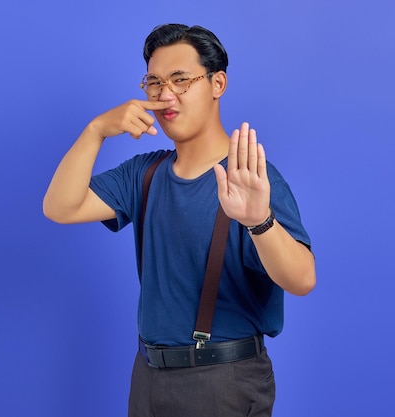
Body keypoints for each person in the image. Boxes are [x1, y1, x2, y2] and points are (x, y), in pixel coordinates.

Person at [43, 23, 315, 417]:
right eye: (153, 82)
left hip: (223, 380)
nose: (165, 94)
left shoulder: (253, 178)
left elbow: (303, 279)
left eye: (180, 79)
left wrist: (259, 221)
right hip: (149, 375)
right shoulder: (144, 173)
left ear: (217, 83)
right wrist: (96, 130)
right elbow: (60, 207)